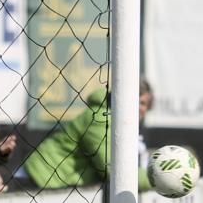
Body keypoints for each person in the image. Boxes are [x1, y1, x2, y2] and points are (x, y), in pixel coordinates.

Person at [22, 79, 154, 191]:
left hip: (55, 182)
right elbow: (115, 171)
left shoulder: (125, 126)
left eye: (142, 103)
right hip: (40, 177)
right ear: (121, 98)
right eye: (133, 99)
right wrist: (157, 178)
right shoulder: (101, 119)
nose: (137, 107)